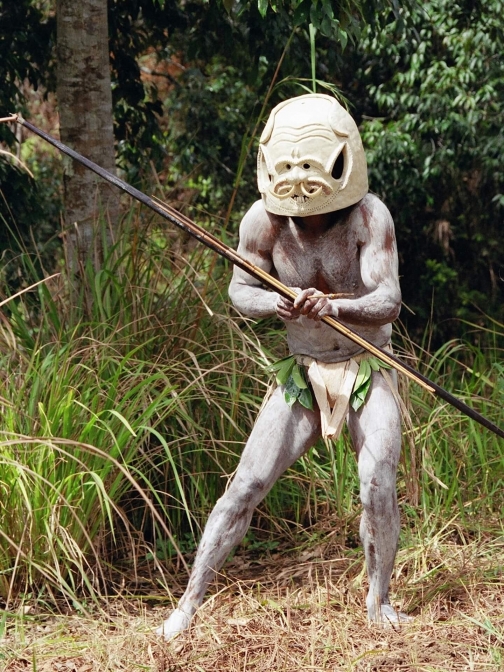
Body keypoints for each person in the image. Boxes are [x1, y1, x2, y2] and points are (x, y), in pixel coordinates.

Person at [157, 94, 409, 639]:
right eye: (288, 171)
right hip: (303, 368)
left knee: (376, 481)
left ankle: (379, 600)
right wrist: (276, 303)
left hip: (367, 364)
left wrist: (334, 304)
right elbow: (238, 289)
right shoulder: (263, 220)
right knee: (246, 484)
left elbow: (387, 300)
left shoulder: (369, 217)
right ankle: (188, 604)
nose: (301, 190)